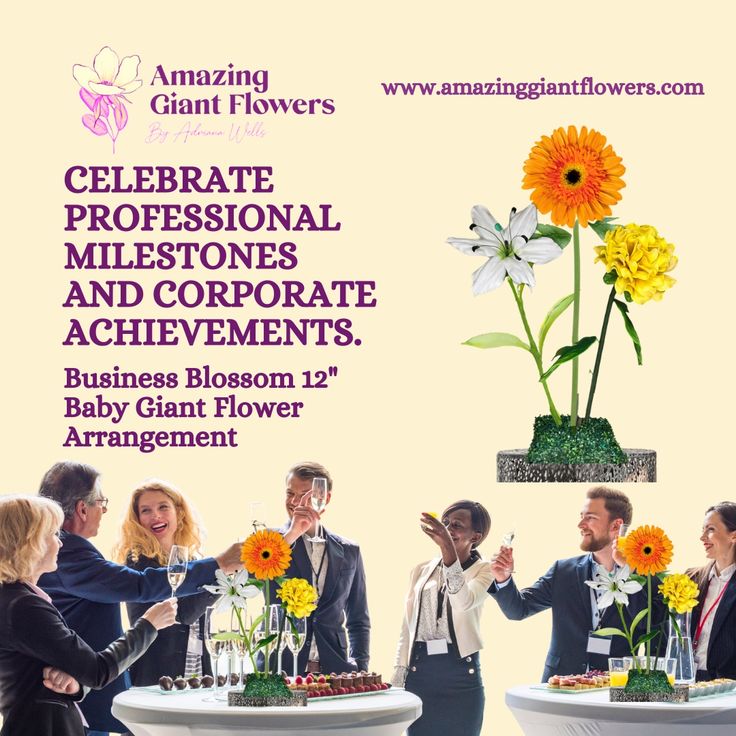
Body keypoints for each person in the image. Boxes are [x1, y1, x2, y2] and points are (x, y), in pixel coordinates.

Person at [37, 461, 242, 735]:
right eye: (101, 502)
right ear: (82, 509)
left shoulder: (74, 550)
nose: (104, 509)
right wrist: (220, 564)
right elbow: (141, 585)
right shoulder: (70, 553)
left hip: (81, 686)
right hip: (77, 690)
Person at [0, 494, 177, 736]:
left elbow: (56, 674)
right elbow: (97, 670)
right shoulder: (24, 606)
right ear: (30, 543)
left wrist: (75, 685)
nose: (61, 543)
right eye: (53, 534)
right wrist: (149, 624)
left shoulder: (17, 599)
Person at [488, 486, 652, 681]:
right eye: (581, 516)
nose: (580, 524)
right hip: (561, 685)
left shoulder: (645, 575)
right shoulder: (563, 571)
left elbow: (651, 626)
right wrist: (503, 578)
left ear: (616, 525)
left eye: (590, 517)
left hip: (614, 690)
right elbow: (518, 610)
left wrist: (630, 570)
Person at [392, 501, 493, 736]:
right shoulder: (420, 570)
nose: (448, 529)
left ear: (475, 536)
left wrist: (447, 547)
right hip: (420, 674)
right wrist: (398, 680)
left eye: (456, 525)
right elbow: (406, 628)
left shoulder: (485, 570)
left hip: (460, 676)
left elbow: (462, 601)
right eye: (445, 523)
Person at [113, 480, 217, 686]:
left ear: (179, 512)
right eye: (146, 510)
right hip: (156, 677)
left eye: (163, 507)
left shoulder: (192, 562)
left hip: (196, 672)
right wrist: (224, 576)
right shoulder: (138, 564)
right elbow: (183, 613)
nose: (156, 515)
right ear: (138, 519)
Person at [277, 461, 370, 674]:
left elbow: (358, 619)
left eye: (304, 495)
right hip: (281, 670)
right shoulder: (269, 544)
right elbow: (257, 574)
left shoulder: (349, 551)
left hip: (336, 672)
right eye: (290, 493)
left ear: (324, 498)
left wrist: (360, 669)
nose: (294, 502)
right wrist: (291, 535)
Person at [687, 501, 736, 680]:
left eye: (711, 529)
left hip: (728, 686)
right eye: (703, 529)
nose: (702, 537)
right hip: (688, 679)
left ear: (733, 536)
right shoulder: (690, 578)